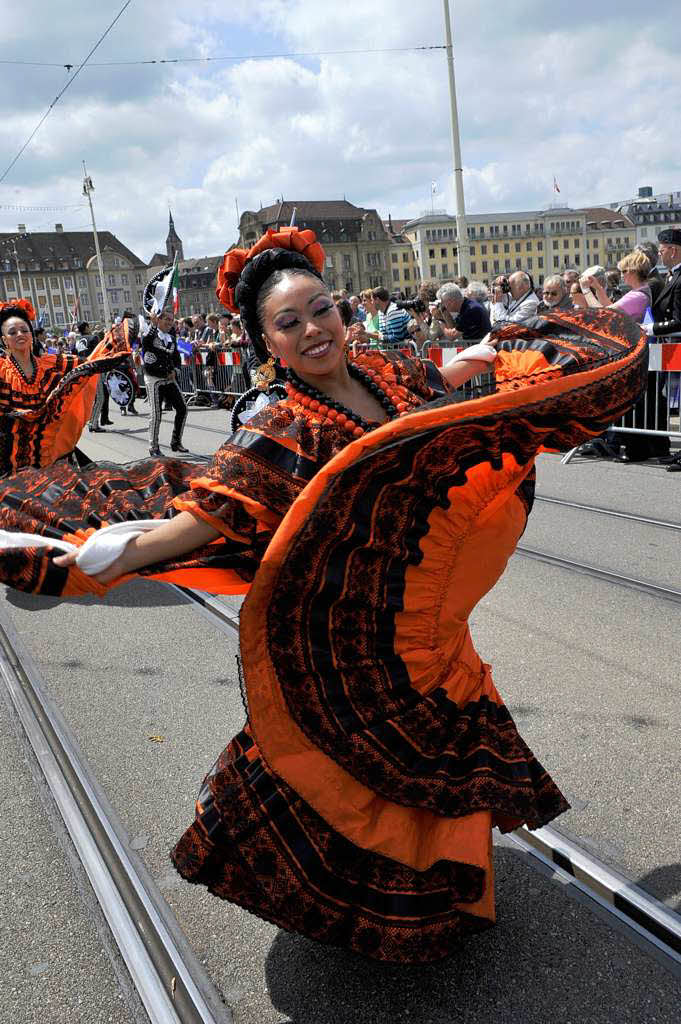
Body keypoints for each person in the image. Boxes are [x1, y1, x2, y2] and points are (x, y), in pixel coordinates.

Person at [0, 228, 646, 963]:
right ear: (268, 344)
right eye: (289, 322)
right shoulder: (279, 425)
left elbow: (439, 401)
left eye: (320, 309)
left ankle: (439, 883)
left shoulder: (385, 369)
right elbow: (203, 518)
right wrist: (109, 553)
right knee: (353, 762)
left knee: (427, 757)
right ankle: (392, 912)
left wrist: (482, 358)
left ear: (340, 311)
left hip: (420, 618)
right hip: (347, 642)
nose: (312, 329)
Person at [0, 299, 129, 476]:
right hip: (12, 460)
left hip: (53, 455)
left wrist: (115, 341)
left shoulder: (52, 364)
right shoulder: (1, 370)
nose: (20, 334)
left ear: (31, 334)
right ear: (4, 340)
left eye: (24, 330)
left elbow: (88, 364)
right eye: (12, 332)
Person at [141, 308, 188, 456]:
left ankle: (176, 442)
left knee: (182, 408)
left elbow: (176, 358)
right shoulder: (150, 334)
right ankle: (153, 447)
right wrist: (153, 325)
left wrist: (175, 371)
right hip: (154, 379)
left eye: (171, 319)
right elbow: (146, 341)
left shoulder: (171, 337)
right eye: (166, 319)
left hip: (169, 378)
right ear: (159, 320)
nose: (169, 322)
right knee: (156, 414)